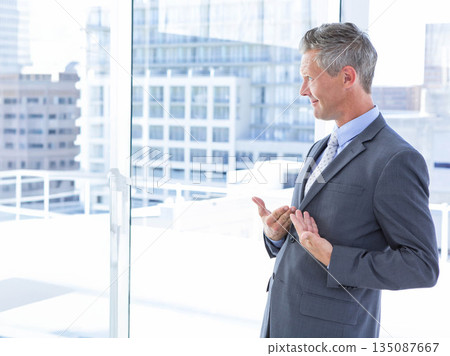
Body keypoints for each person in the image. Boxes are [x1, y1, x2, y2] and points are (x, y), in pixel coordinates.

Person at [252, 22, 439, 338]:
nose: (302, 90)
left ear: (348, 77)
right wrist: (276, 234)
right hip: (279, 324)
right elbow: (310, 236)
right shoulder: (321, 146)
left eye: (309, 78)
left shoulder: (396, 159)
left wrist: (332, 257)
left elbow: (421, 266)